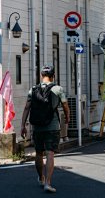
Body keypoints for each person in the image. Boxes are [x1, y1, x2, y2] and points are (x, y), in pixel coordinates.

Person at [20, 65, 70, 194]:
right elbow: (65, 105)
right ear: (53, 76)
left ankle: (41, 178)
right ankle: (48, 183)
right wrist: (67, 118)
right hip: (52, 126)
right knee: (50, 154)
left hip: (37, 127)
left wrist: (22, 125)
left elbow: (27, 108)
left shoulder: (33, 89)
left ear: (41, 76)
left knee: (38, 153)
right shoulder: (58, 89)